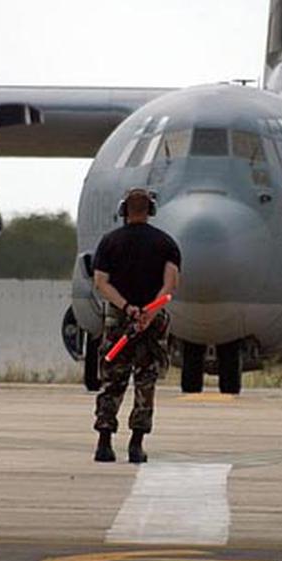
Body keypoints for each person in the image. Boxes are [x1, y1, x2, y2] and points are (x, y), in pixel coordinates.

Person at [91, 187, 181, 463]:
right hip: (152, 323)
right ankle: (136, 444)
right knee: (146, 381)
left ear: (123, 210)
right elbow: (170, 284)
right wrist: (149, 313)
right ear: (150, 210)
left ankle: (104, 443)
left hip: (120, 321)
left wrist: (127, 308)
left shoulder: (109, 242)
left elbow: (100, 282)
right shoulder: (166, 244)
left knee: (112, 380)